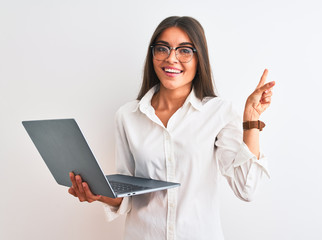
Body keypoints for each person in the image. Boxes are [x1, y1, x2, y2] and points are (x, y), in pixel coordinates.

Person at [68, 16, 275, 240]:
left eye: (184, 50)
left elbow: (246, 189)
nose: (171, 58)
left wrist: (251, 121)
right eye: (162, 48)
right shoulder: (127, 116)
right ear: (152, 54)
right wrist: (98, 194)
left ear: (199, 58)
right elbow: (127, 197)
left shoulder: (218, 112)